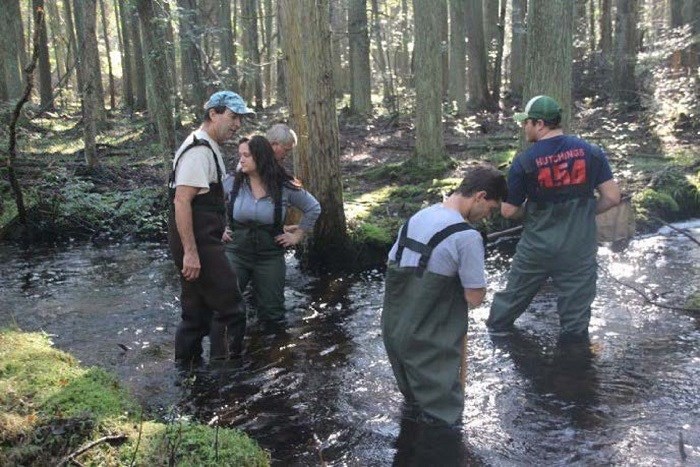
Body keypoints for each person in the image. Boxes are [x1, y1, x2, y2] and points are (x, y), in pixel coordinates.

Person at [486, 95, 621, 343]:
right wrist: (583, 213)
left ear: (539, 124)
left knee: (506, 309)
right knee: (575, 324)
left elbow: (507, 211)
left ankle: (498, 342)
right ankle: (574, 372)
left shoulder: (524, 161)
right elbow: (612, 197)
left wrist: (535, 214)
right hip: (579, 248)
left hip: (537, 247)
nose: (523, 127)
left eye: (525, 122)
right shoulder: (591, 153)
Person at [382, 165, 508, 427]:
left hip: (395, 334)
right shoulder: (467, 236)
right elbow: (474, 297)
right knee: (444, 424)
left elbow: (393, 263)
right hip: (429, 345)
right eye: (491, 208)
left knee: (413, 412)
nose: (487, 216)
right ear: (480, 196)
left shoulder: (419, 217)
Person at [167, 90, 254, 365]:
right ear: (213, 114)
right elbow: (182, 201)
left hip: (203, 239)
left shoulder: (207, 146)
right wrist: (191, 253)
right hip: (198, 245)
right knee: (232, 309)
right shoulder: (199, 150)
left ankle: (188, 374)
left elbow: (203, 205)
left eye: (240, 118)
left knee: (196, 313)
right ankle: (229, 375)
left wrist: (219, 229)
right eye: (232, 117)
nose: (237, 124)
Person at [224, 135, 321, 328]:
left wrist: (298, 235)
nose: (241, 160)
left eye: (246, 155)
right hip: (236, 253)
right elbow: (208, 203)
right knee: (225, 306)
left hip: (270, 256)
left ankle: (274, 352)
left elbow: (313, 208)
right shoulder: (232, 182)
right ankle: (230, 352)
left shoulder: (284, 186)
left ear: (260, 157)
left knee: (272, 314)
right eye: (240, 155)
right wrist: (217, 227)